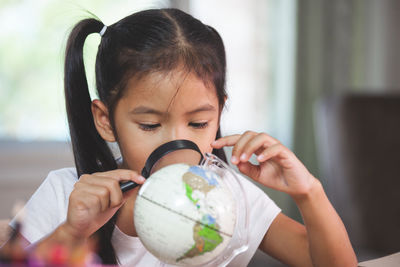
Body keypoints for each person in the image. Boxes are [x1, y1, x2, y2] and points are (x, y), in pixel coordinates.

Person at [1, 8, 357, 266]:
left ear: (220, 112)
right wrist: (72, 231)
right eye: (150, 126)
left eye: (199, 124)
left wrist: (309, 191)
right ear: (106, 120)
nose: (175, 149)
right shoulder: (67, 194)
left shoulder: (227, 199)